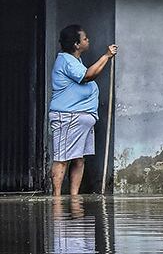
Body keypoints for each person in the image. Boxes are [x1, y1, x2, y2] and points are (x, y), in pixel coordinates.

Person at [49, 24, 117, 197]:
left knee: (79, 159)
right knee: (62, 158)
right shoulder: (66, 60)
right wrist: (106, 56)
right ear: (76, 44)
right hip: (68, 116)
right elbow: (87, 76)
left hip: (81, 117)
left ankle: (74, 196)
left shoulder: (75, 61)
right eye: (85, 38)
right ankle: (56, 197)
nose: (88, 40)